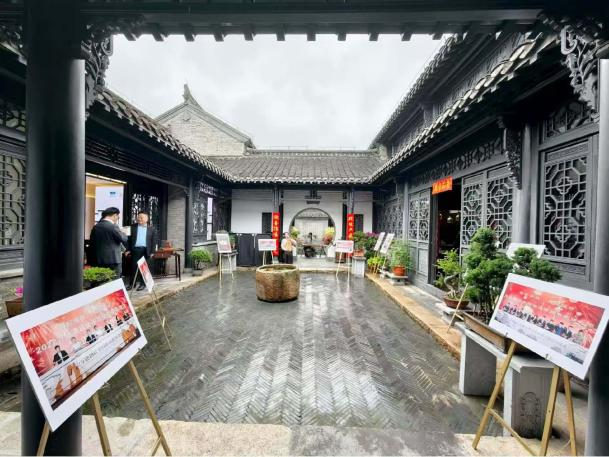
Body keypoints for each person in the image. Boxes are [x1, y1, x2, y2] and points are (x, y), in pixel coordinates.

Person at [89, 207, 128, 279]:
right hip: (113, 260)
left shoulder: (96, 227)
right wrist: (123, 232)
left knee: (100, 280)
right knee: (114, 282)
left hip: (97, 260)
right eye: (118, 216)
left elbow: (92, 242)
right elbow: (123, 239)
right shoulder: (113, 226)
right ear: (114, 215)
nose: (118, 218)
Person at [126, 211, 158, 291]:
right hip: (135, 250)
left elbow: (154, 241)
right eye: (138, 217)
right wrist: (128, 250)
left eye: (141, 217)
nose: (139, 219)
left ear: (146, 219)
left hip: (146, 251)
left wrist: (152, 252)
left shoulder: (152, 229)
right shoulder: (132, 227)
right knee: (133, 267)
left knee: (144, 268)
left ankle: (142, 284)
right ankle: (132, 284)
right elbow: (128, 240)